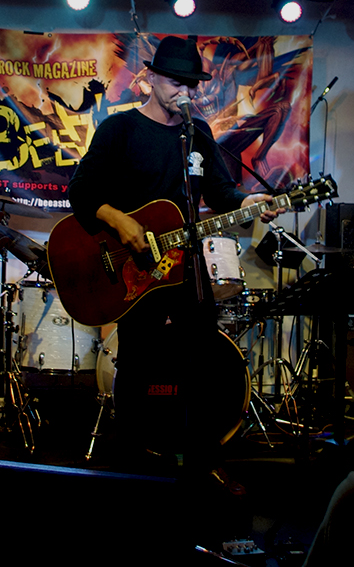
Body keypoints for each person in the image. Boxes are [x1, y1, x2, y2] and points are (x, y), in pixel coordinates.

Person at [68, 35, 274, 459]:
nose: (186, 91)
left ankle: (199, 460)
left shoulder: (196, 133)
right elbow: (81, 191)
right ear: (152, 78)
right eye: (176, 82)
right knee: (138, 361)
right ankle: (134, 456)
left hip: (186, 268)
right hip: (135, 269)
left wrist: (247, 202)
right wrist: (119, 219)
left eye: (191, 84)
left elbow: (220, 192)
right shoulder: (120, 129)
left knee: (203, 359)